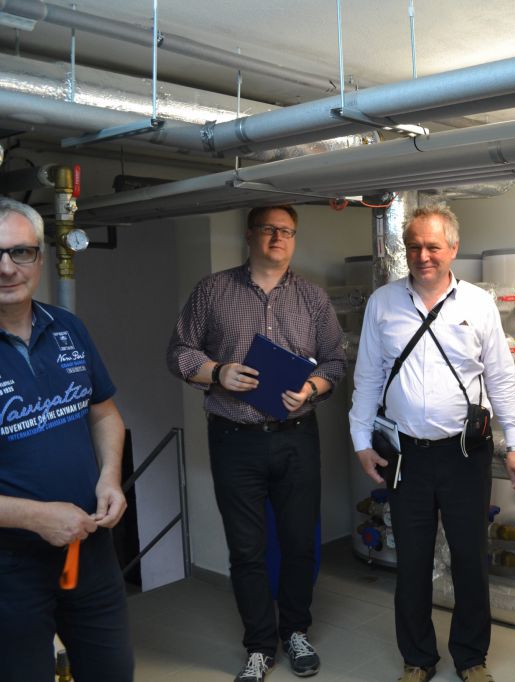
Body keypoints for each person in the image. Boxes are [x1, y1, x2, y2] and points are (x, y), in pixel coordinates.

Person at [349, 204, 515, 682]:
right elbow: (367, 377)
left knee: (470, 559)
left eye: (432, 246)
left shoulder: (477, 304)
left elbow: (501, 378)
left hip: (464, 455)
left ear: (453, 248)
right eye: (414, 247)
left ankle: (471, 658)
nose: (423, 255)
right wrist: (361, 440)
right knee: (411, 561)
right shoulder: (383, 303)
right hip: (405, 455)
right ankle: (417, 659)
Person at [167, 205, 345, 682]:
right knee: (246, 549)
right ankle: (260, 646)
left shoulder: (312, 298)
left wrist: (311, 389)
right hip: (234, 438)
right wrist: (217, 372)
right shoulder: (213, 290)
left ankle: (297, 631)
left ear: (294, 238)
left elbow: (334, 361)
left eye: (286, 231)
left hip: (296, 437)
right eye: (268, 229)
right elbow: (179, 351)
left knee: (298, 542)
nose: (277, 237)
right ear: (250, 235)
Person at [0, 198, 133, 681]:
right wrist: (35, 517)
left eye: (21, 252)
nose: (7, 268)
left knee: (112, 671)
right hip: (9, 568)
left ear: (40, 257)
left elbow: (104, 414)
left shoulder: (68, 328)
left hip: (89, 549)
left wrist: (110, 478)